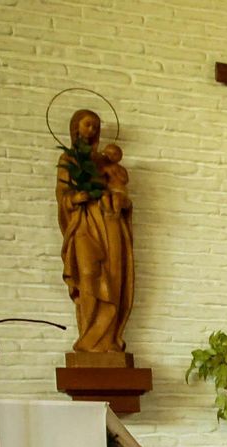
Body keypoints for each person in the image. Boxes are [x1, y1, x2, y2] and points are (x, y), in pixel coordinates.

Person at [55, 108, 134, 355]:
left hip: (108, 222)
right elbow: (62, 196)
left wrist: (121, 202)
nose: (93, 130)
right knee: (88, 275)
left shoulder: (106, 163)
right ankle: (89, 338)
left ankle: (108, 338)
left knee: (111, 276)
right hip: (83, 224)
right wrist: (77, 197)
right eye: (88, 125)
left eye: (96, 127)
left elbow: (122, 193)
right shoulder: (69, 161)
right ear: (76, 127)